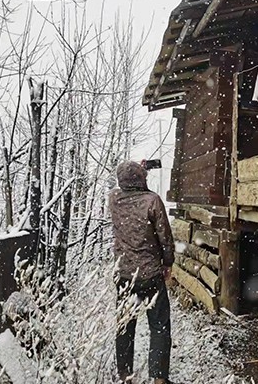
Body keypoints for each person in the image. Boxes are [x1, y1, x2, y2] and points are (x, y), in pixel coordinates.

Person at [109, 160, 175, 384]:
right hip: (150, 275)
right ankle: (158, 379)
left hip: (125, 276)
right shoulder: (152, 201)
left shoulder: (113, 199)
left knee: (125, 326)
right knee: (159, 327)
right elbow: (165, 237)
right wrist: (168, 262)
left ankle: (125, 377)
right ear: (142, 179)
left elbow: (129, 184)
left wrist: (137, 171)